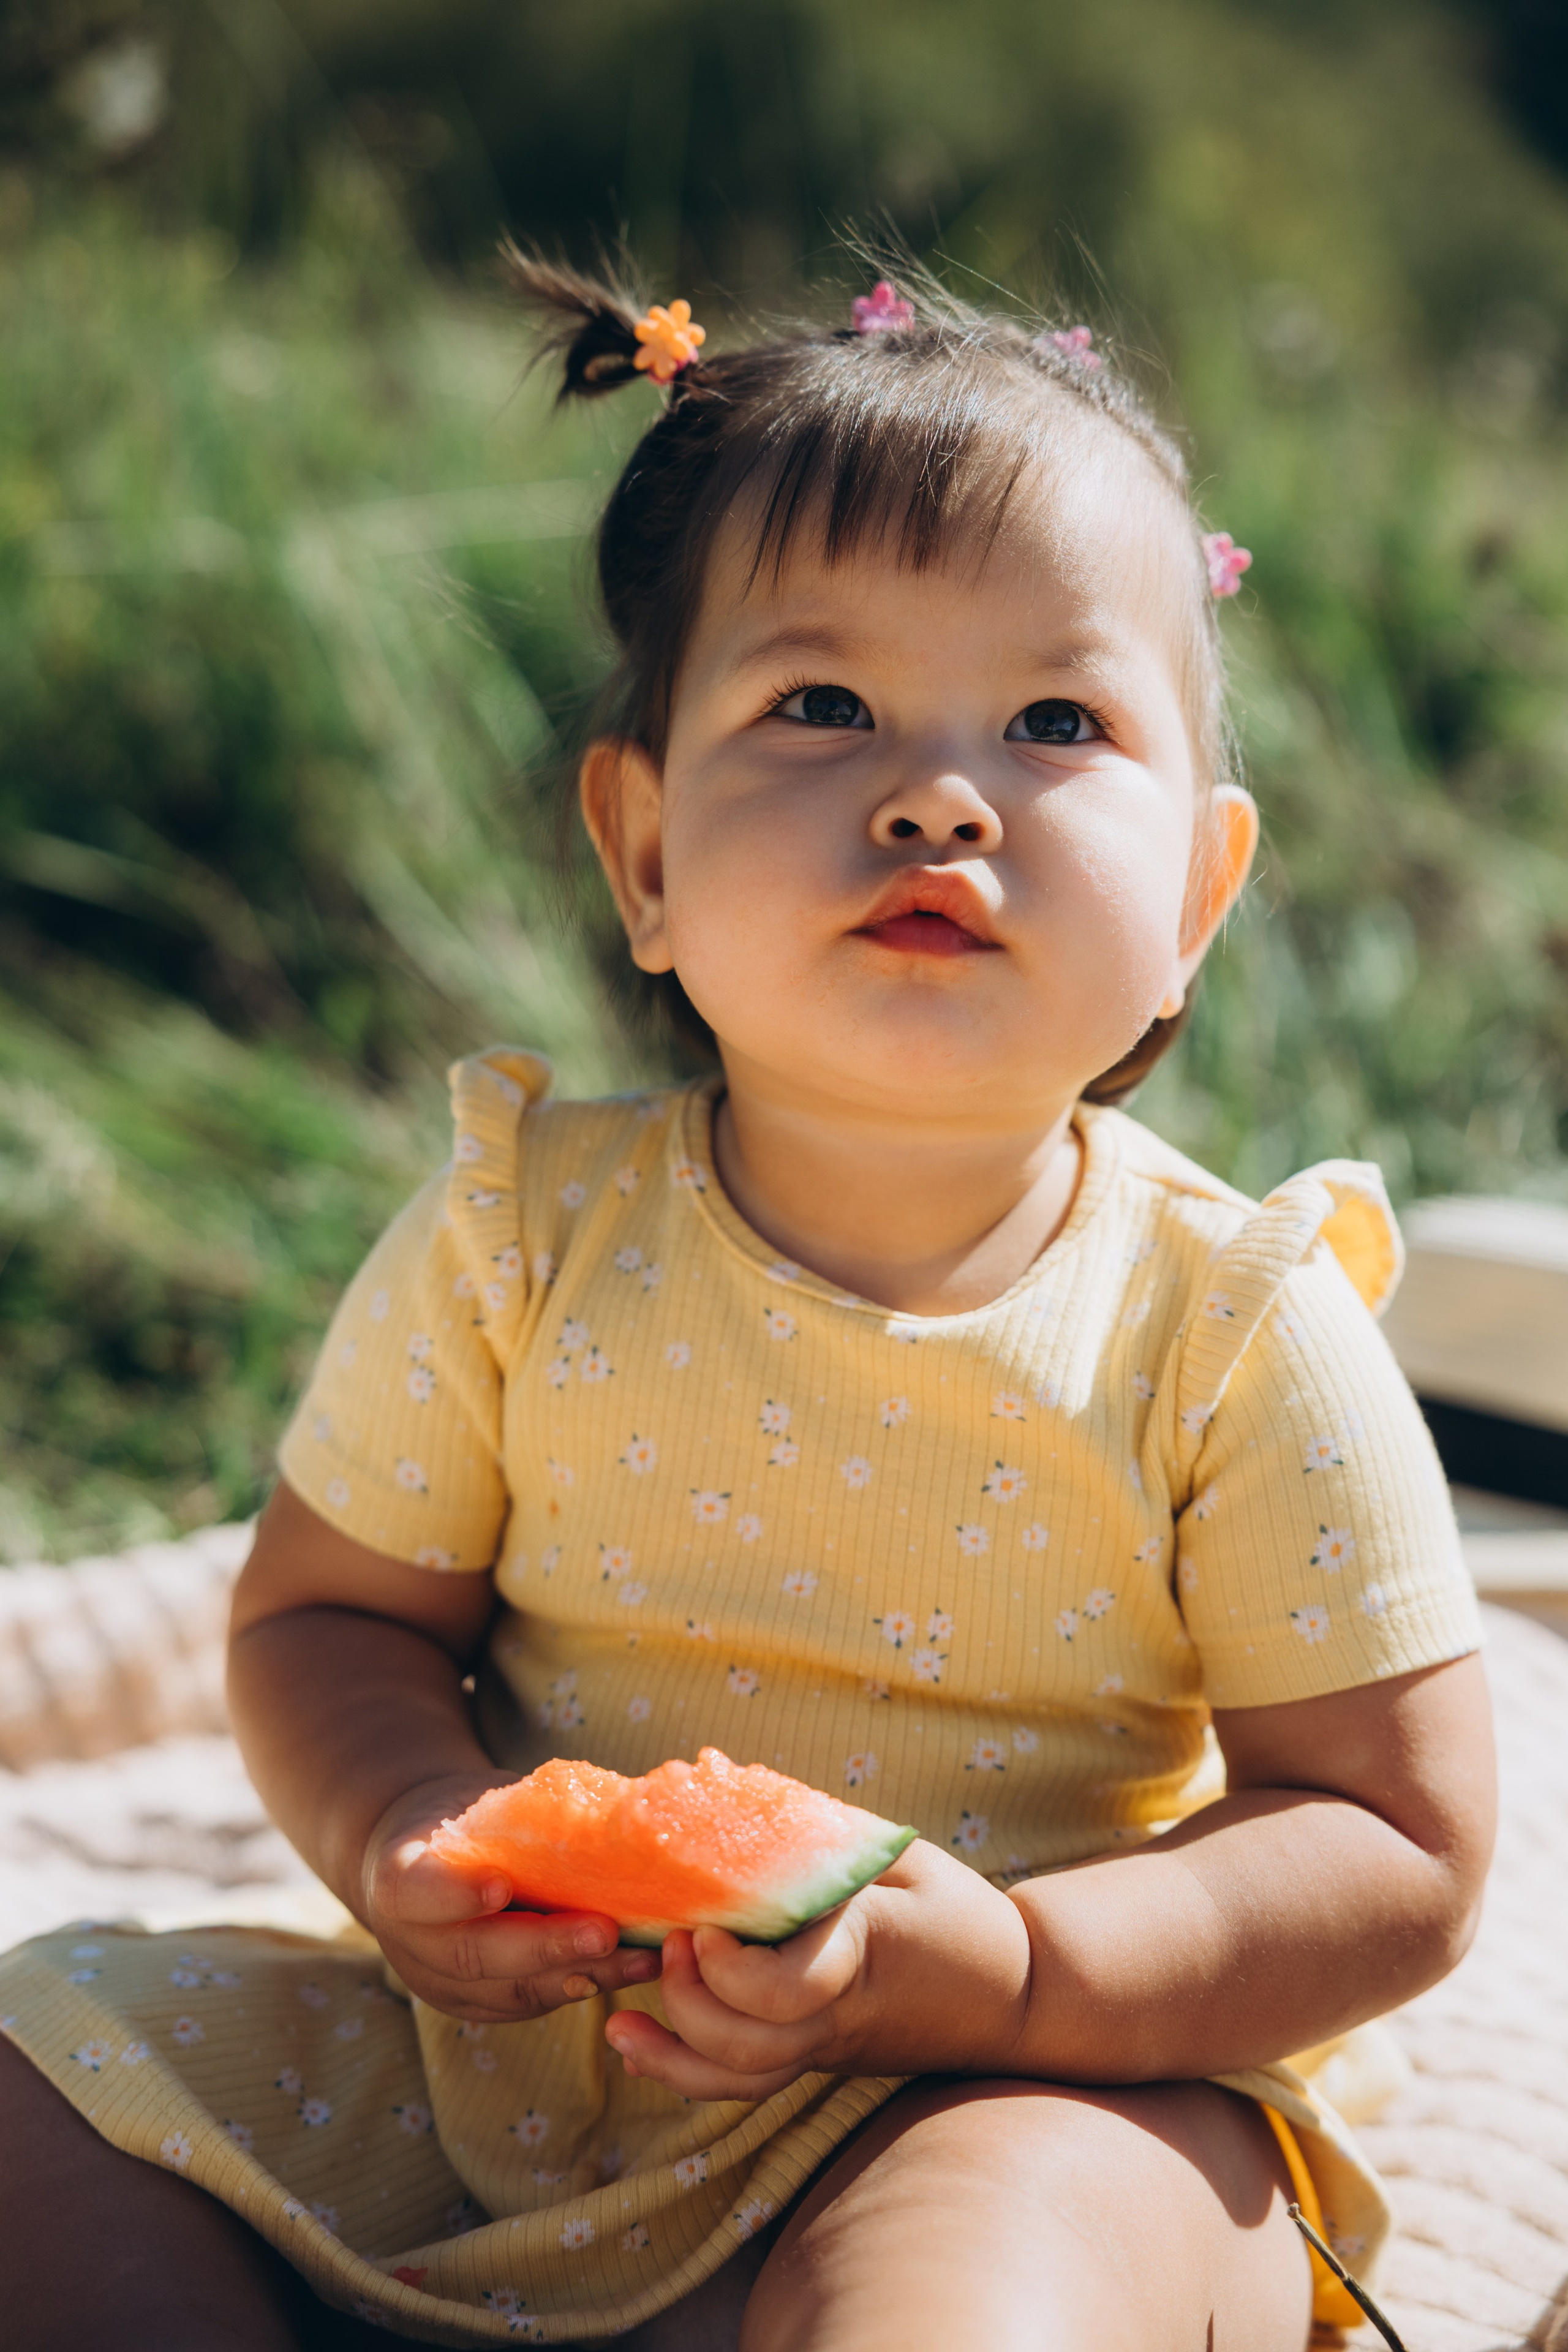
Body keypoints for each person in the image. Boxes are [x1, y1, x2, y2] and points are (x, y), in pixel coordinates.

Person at [0, 257, 1494, 2352]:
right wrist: (407, 1827)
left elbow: (1389, 1836)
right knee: (39, 2073)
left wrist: (1024, 1975)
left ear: (1195, 900)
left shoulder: (1232, 1324)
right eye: (822, 708)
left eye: (1056, 724)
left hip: (1015, 2086)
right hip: (514, 2073)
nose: (940, 797)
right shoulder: (519, 1233)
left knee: (1003, 2254)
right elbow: (329, 1624)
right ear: (641, 852)